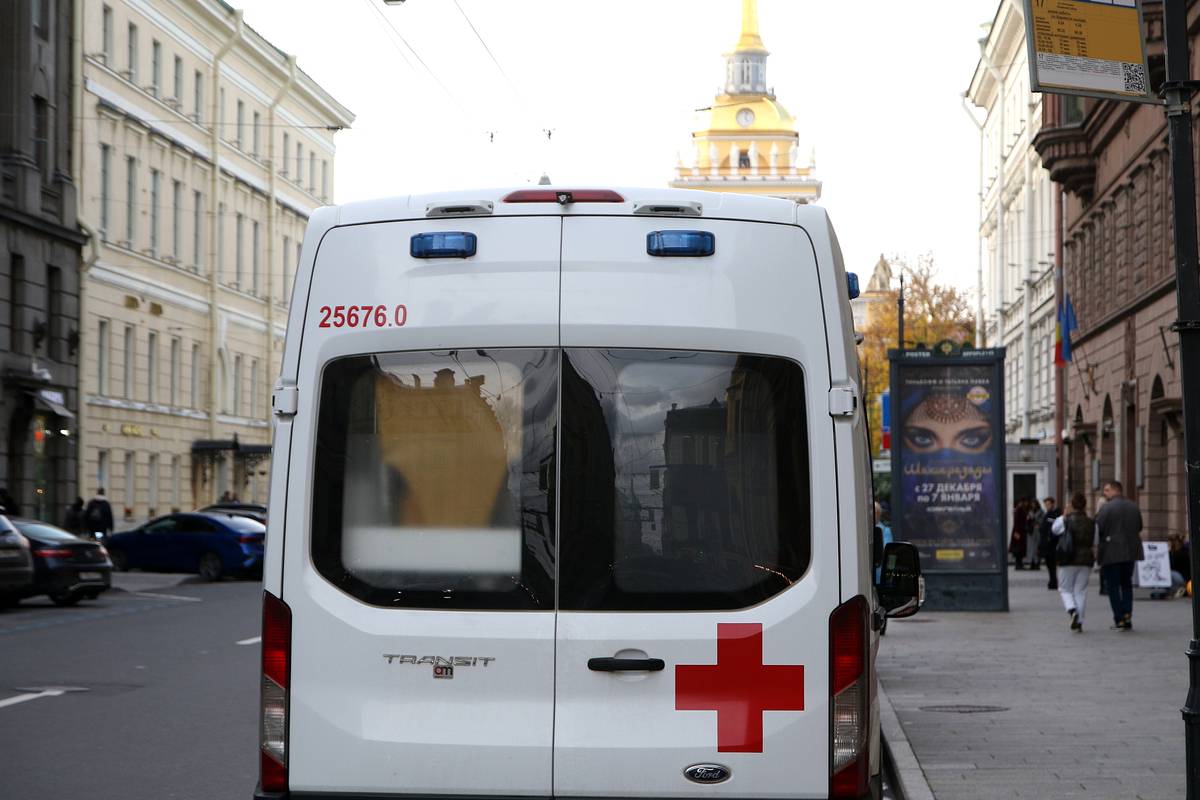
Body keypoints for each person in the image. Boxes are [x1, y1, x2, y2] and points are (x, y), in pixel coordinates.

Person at [1095, 480, 1145, 630]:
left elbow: (1099, 528)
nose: (1105, 493)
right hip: (1130, 551)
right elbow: (1139, 526)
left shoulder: (1106, 508)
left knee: (1113, 586)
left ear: (1116, 490)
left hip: (1111, 552)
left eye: (1107, 490)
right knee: (1126, 584)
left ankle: (1119, 618)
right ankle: (1128, 615)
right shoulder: (1133, 506)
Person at [1054, 493, 1095, 631]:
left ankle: (1072, 611)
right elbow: (1095, 541)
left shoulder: (1066, 520)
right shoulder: (1091, 522)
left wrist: (1063, 515)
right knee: (1080, 591)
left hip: (1068, 558)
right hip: (1086, 559)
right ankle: (1080, 622)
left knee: (1065, 589)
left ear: (1071, 505)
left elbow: (1054, 530)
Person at [1038, 497, 1063, 589]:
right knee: (1049, 564)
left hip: (1050, 544)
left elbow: (1051, 529)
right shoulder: (1048, 514)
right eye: (1046, 504)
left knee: (1051, 564)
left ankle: (1053, 582)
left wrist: (1049, 538)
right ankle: (1052, 581)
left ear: (1052, 504)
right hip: (1047, 543)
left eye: (1048, 504)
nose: (1047, 506)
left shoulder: (1052, 515)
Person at [1009, 497, 1031, 569]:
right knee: (1018, 549)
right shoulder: (1019, 509)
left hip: (1021, 531)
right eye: (1025, 502)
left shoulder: (1021, 509)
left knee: (1020, 549)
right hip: (1019, 531)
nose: (1026, 504)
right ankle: (1018, 564)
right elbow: (1016, 521)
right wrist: (1016, 532)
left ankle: (1019, 563)